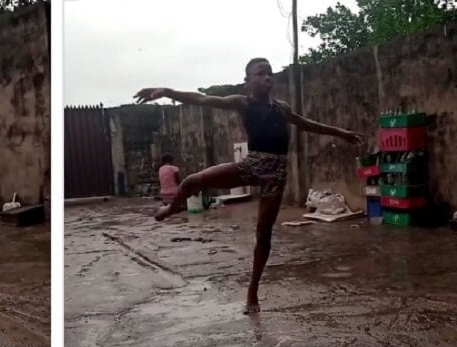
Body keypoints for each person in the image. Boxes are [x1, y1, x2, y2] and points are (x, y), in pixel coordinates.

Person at [134, 57, 364, 315]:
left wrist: (341, 133)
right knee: (191, 181)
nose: (267, 78)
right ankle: (173, 208)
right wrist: (167, 92)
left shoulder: (282, 108)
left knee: (263, 236)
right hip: (253, 164)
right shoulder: (243, 103)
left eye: (269, 74)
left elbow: (306, 124)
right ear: (248, 82)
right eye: (260, 74)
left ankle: (252, 291)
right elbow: (203, 99)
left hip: (276, 174)